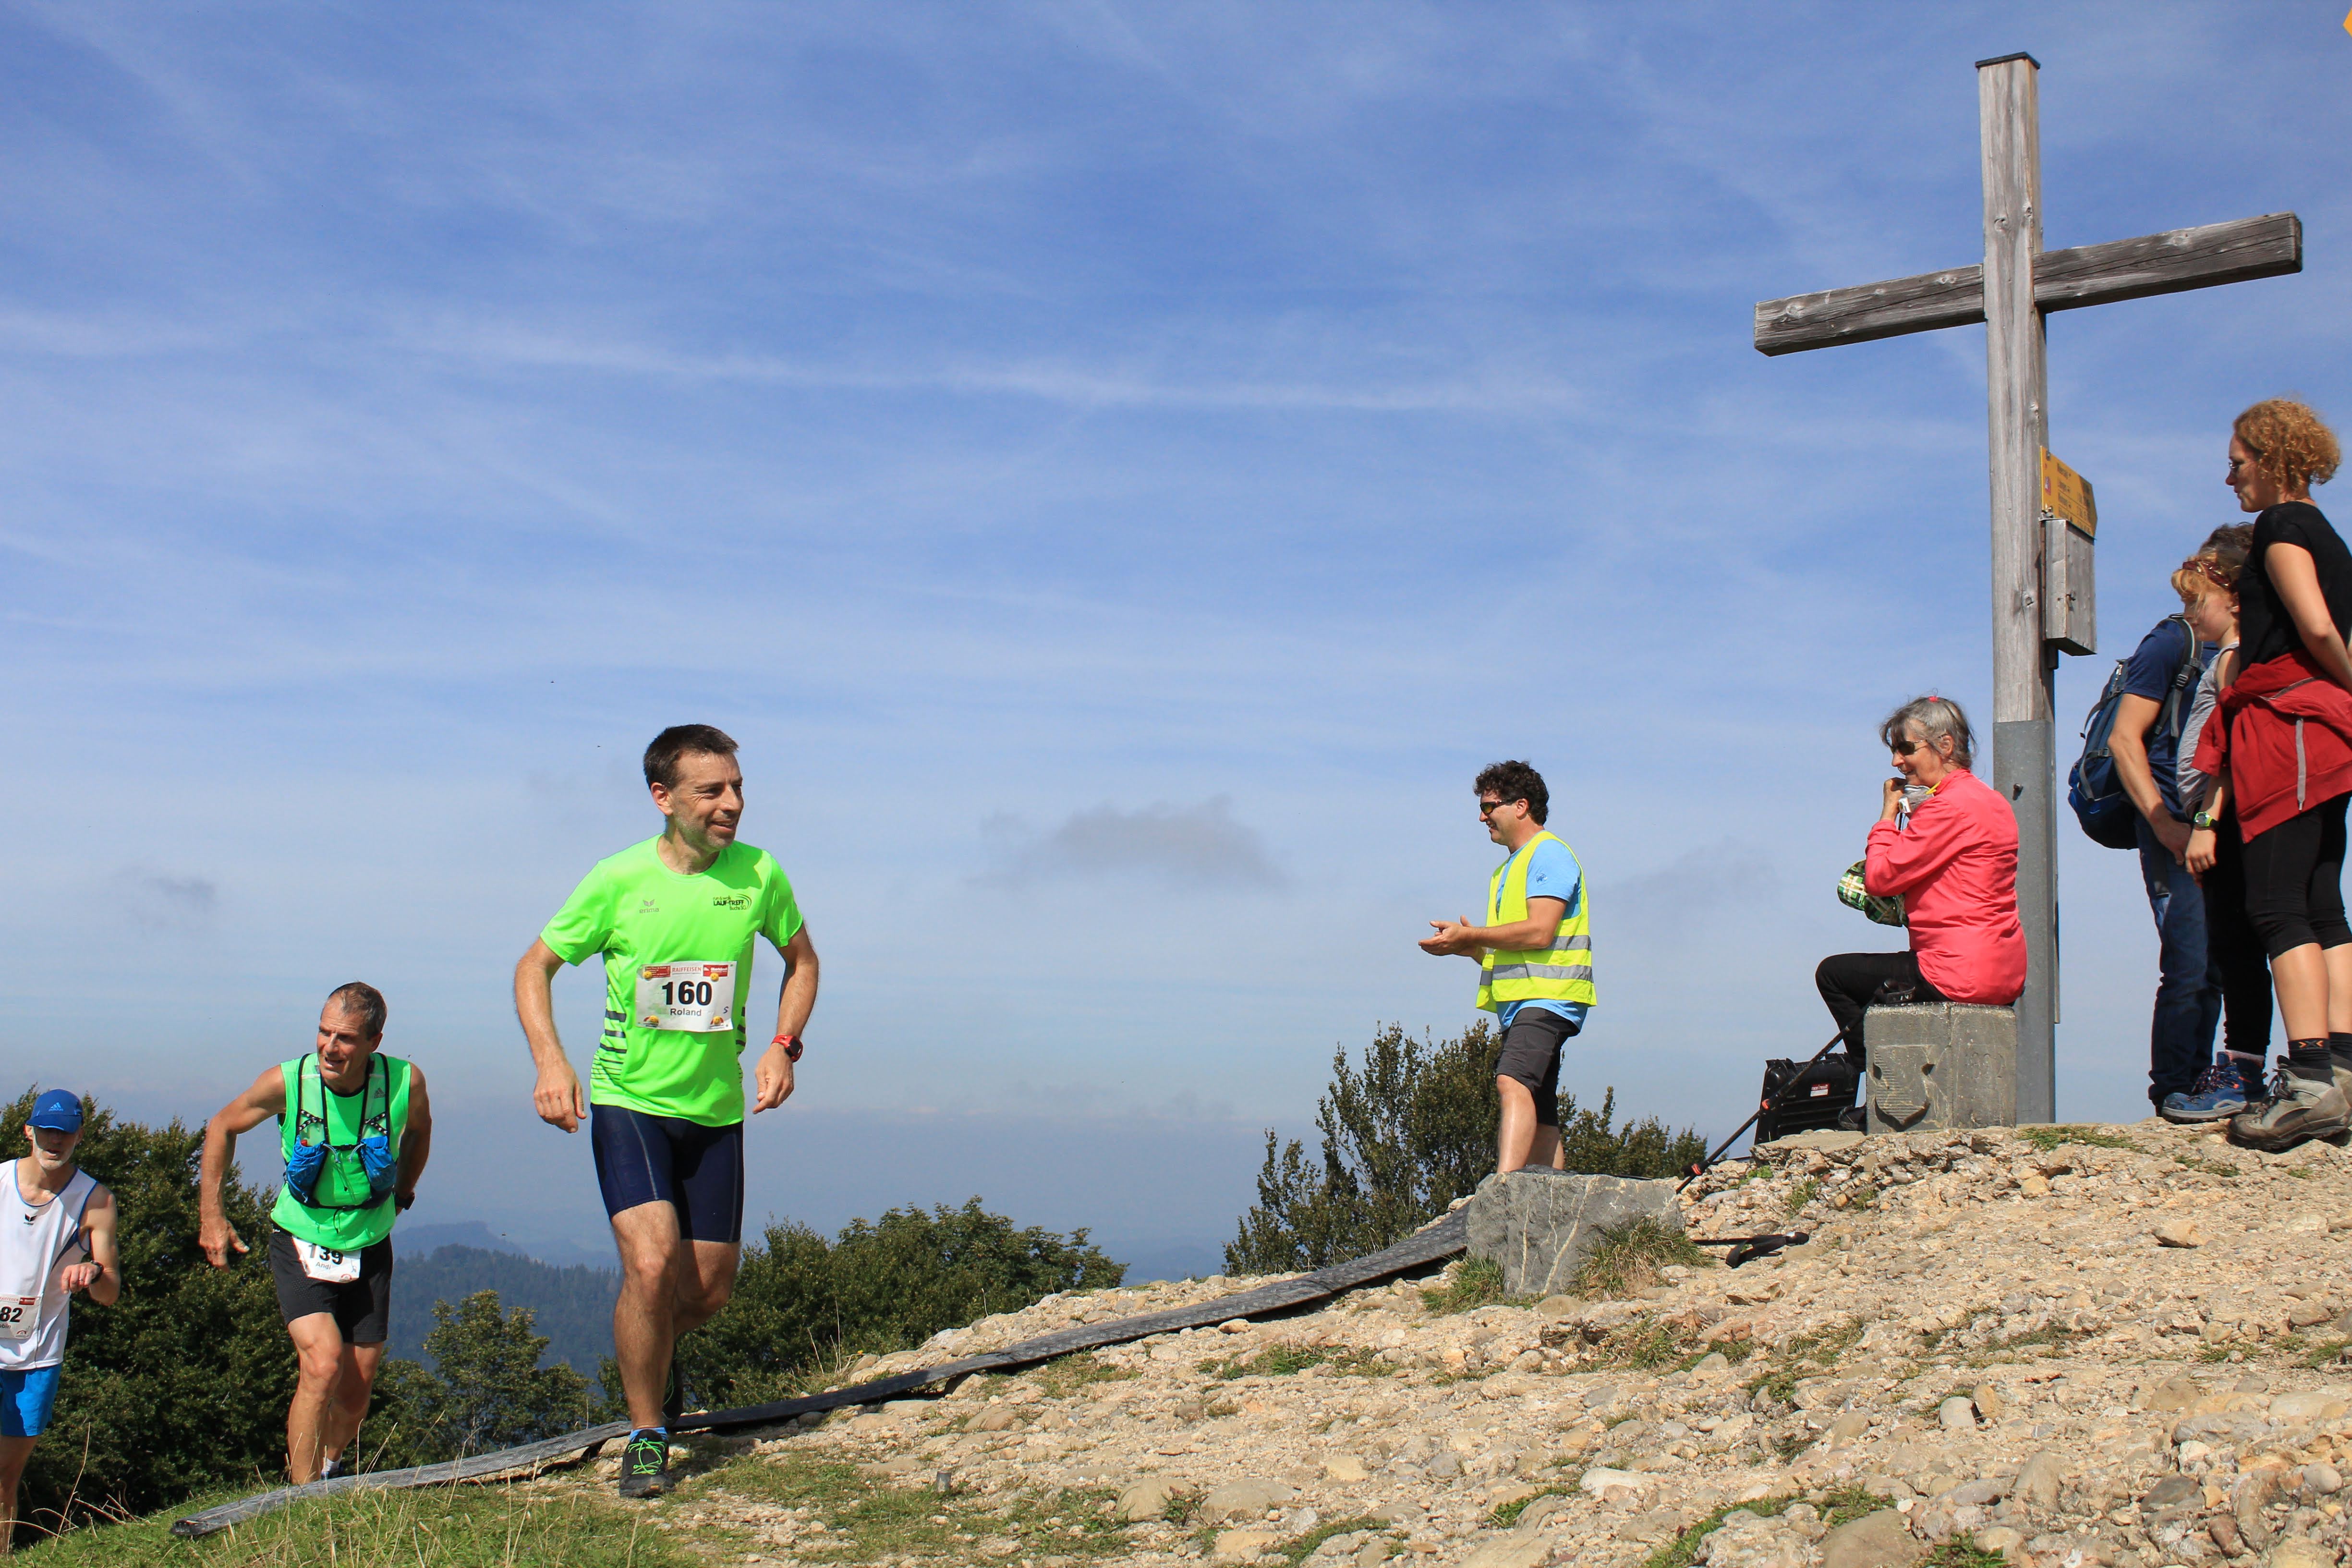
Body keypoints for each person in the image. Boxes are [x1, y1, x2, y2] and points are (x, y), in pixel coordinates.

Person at [515, 724, 817, 1500]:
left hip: (715, 1114)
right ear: (663, 797)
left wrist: (783, 1044)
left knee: (706, 1292)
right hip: (630, 1104)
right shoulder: (616, 880)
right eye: (712, 790)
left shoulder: (759, 875)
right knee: (649, 1267)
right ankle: (647, 1433)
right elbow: (534, 967)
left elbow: (803, 961)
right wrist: (551, 1062)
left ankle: (650, 1352)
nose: (732, 804)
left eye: (738, 787)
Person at [2190, 398, 2352, 1149]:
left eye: (2237, 461)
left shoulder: (2283, 528)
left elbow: (2315, 624)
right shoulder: (2328, 531)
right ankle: (2342, 1069)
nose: (2230, 478)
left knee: (2276, 902)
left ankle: (2309, 1079)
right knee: (2321, 901)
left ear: (2271, 456)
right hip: (2321, 737)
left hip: (2286, 729)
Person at [199, 983, 431, 1484]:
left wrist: (405, 1187)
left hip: (369, 1241)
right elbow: (222, 1126)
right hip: (300, 1238)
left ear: (374, 1040)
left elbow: (420, 1128)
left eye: (346, 1038)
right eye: (324, 1032)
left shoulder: (403, 1082)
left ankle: (328, 1466)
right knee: (322, 1364)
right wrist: (211, 1217)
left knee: (355, 1392)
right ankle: (300, 1497)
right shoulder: (288, 1081)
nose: (330, 1046)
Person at [2107, 530, 2243, 1112]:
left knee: (2220, 958)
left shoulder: (2249, 643)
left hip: (2218, 818)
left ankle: (2212, 1080)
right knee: (2190, 958)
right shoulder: (2174, 641)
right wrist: (2164, 825)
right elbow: (2122, 737)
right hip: (2171, 818)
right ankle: (2174, 1088)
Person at [1815, 696, 2026, 1059]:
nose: (1897, 761)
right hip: (2005, 973)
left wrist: (1887, 816)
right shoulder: (1993, 802)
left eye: (1905, 748)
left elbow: (1880, 879)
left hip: (1954, 970)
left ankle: (1878, 1074)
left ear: (1945, 745)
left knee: (1833, 974)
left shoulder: (1947, 807)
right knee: (1886, 979)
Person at [1418, 760, 1594, 1177]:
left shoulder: (1548, 854)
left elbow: (1539, 932)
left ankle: (1506, 1189)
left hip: (1547, 1000)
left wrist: (1474, 935)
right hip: (1528, 1002)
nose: (1482, 817)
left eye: (1489, 806)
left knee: (1511, 1081)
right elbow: (1514, 952)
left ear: (1520, 806)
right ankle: (1549, 1197)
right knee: (1542, 1105)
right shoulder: (1509, 869)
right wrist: (1468, 948)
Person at [2169, 531, 2276, 1120]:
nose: (2189, 614)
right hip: (2221, 819)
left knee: (2237, 947)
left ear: (2232, 598)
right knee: (2233, 947)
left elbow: (2231, 747)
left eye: (2195, 602)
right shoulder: (2224, 659)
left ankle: (2241, 1070)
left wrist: (2207, 820)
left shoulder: (2235, 660)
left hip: (2228, 822)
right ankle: (2245, 1066)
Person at [1, 1092, 118, 1555]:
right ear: (28, 1130)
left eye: (64, 1132)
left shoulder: (96, 1200)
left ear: (79, 1136)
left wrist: (93, 1272)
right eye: (46, 1130)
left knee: (6, 1475)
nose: (54, 1141)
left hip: (36, 1356)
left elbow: (110, 1292)